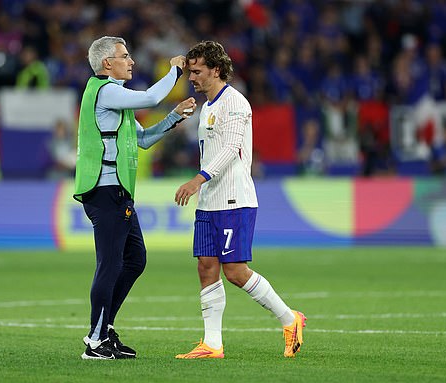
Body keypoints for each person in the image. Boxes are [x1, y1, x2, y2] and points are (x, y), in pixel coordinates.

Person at [174, 41, 306, 359]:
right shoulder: (206, 107)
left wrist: (197, 180)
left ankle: (290, 319)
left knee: (234, 271)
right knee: (206, 267)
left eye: (197, 71)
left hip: (234, 199)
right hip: (209, 201)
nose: (191, 77)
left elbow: (231, 149)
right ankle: (212, 344)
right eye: (190, 71)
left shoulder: (235, 103)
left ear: (216, 70)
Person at [73, 36, 196, 360]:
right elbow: (152, 96)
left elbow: (142, 140)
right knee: (110, 264)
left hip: (118, 192)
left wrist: (174, 117)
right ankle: (95, 341)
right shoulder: (105, 90)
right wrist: (175, 71)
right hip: (105, 190)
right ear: (106, 64)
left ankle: (106, 329)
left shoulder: (115, 99)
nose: (131, 61)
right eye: (124, 56)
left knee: (135, 260)